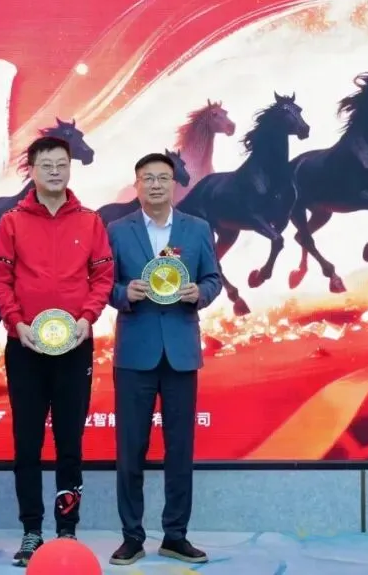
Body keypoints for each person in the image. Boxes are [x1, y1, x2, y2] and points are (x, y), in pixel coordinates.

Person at [0, 136, 115, 567]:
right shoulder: (11, 221)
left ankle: (66, 530)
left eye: (62, 164)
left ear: (70, 168)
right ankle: (31, 531)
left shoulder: (90, 221)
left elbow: (102, 277)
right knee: (26, 442)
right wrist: (16, 323)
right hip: (25, 346)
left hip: (75, 346)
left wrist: (87, 318)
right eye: (47, 165)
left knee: (69, 441)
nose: (55, 171)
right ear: (33, 170)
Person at [105, 152, 223, 566]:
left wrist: (200, 293)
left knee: (180, 450)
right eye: (147, 178)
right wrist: (123, 294)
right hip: (134, 353)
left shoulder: (197, 228)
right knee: (130, 449)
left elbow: (213, 278)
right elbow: (102, 284)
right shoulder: (117, 230)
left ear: (174, 185)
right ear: (137, 185)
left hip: (180, 352)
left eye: (162, 178)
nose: (155, 185)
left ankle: (175, 535)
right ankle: (131, 537)